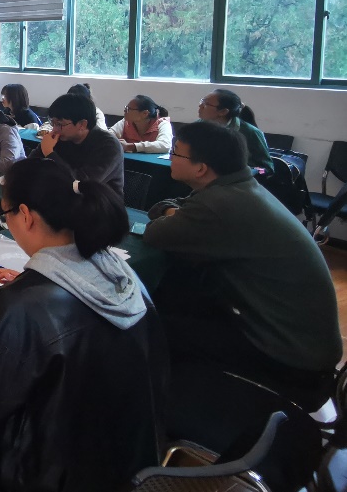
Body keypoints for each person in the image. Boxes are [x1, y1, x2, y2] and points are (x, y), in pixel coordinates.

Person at [0, 156, 166, 492]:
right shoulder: (122, 274)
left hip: (49, 472)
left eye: (5, 216)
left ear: (25, 215)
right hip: (130, 459)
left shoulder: (24, 303)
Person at [144, 121, 341, 411]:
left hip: (290, 361)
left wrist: (172, 212)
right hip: (303, 347)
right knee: (186, 299)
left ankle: (166, 410)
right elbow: (166, 209)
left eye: (176, 152)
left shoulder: (220, 204)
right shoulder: (238, 188)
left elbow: (154, 232)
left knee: (152, 327)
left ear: (201, 168)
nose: (170, 157)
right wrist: (174, 211)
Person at [31, 93, 124, 198]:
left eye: (60, 124)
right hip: (65, 198)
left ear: (82, 124)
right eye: (53, 123)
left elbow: (81, 184)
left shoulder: (109, 146)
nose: (55, 129)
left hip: (100, 203)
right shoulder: (59, 138)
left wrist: (49, 153)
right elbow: (27, 167)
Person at [196, 88, 273, 176]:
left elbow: (267, 168)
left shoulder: (250, 133)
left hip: (238, 181)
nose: (200, 105)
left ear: (223, 111)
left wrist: (248, 172)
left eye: (206, 104)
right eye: (202, 101)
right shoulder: (197, 127)